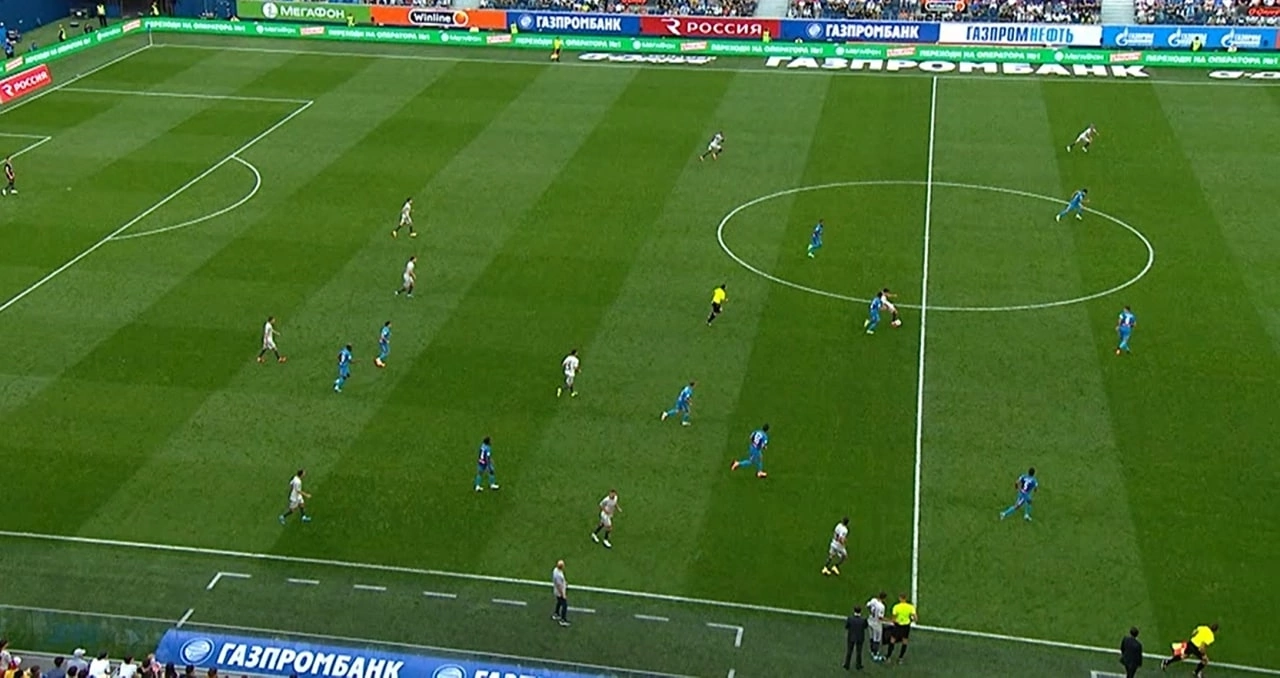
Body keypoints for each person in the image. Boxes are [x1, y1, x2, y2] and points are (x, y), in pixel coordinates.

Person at [885, 594, 917, 664]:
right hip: (906, 626)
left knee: (892, 640)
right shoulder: (910, 607)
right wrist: (910, 621)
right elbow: (915, 618)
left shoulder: (896, 607)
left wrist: (894, 621)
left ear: (900, 598)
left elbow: (893, 618)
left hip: (898, 626)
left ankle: (888, 657)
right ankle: (900, 658)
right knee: (904, 641)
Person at [843, 606, 869, 671]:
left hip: (851, 637)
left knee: (849, 651)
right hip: (860, 637)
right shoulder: (863, 620)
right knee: (859, 652)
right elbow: (866, 626)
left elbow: (846, 626)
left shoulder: (850, 619)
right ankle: (858, 665)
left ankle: (847, 665)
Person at [866, 592, 888, 662]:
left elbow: (867, 605)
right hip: (877, 624)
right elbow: (880, 617)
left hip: (870, 621)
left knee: (871, 637)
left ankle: (872, 651)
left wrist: (871, 613)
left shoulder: (873, 600)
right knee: (877, 639)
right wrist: (889, 620)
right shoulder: (881, 606)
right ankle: (875, 655)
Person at [551, 560, 570, 627]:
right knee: (564, 605)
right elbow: (559, 585)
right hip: (560, 592)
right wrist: (563, 594)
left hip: (557, 591)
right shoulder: (559, 575)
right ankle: (563, 620)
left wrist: (564, 582)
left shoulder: (555, 570)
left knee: (559, 602)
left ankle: (556, 614)